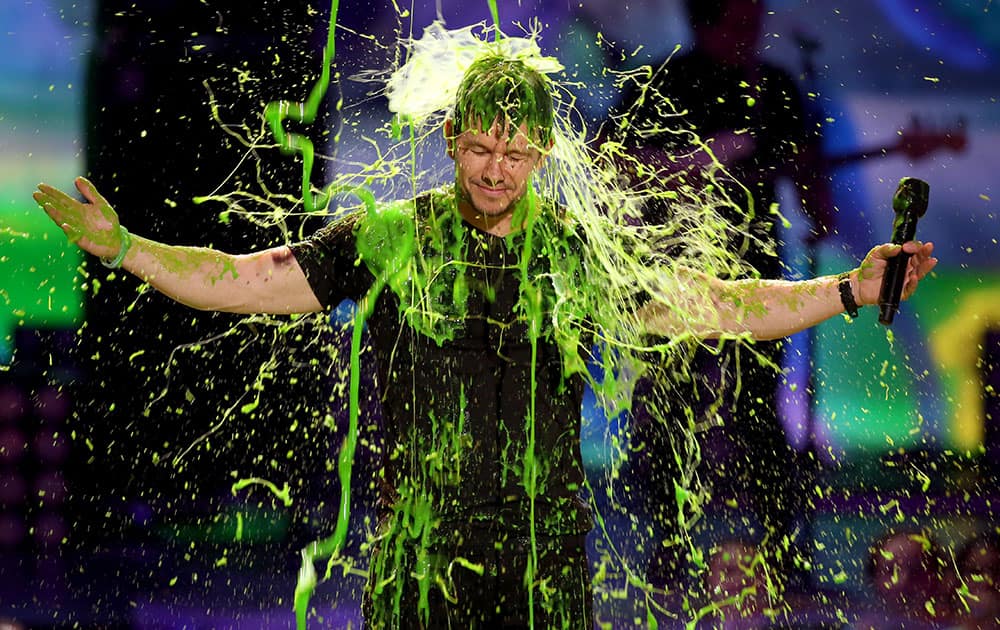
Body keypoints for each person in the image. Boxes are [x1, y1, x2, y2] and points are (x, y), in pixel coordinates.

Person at [33, 51, 935, 629]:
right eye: (481, 149)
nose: (496, 170)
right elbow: (247, 278)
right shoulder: (389, 238)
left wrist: (848, 288)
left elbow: (717, 304)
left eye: (517, 152)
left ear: (542, 154)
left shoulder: (575, 255)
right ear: (454, 139)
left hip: (543, 553)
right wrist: (131, 251)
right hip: (417, 552)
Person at [609, 0, 837, 596]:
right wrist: (695, 161)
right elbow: (613, 166)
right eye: (740, 15)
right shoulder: (663, 82)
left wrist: (817, 202)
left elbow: (807, 173)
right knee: (667, 412)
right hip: (670, 276)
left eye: (756, 14)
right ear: (707, 19)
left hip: (755, 277)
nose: (753, 26)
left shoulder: (776, 87)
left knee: (760, 412)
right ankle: (670, 546)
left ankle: (782, 552)